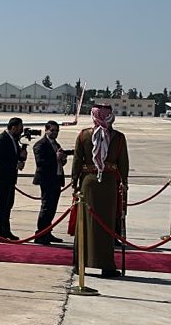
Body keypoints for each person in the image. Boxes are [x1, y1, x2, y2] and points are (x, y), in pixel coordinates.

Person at [71, 104, 128, 277]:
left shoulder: (83, 135)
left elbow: (77, 161)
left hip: (88, 182)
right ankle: (106, 265)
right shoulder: (118, 138)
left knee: (85, 223)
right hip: (108, 183)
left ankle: (80, 263)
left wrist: (74, 181)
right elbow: (123, 163)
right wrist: (124, 182)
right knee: (107, 225)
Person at [31, 120, 68, 245]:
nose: (55, 133)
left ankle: (47, 232)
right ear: (46, 130)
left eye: (57, 131)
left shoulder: (56, 144)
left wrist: (63, 159)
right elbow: (40, 163)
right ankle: (40, 234)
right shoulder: (40, 145)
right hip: (47, 180)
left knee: (52, 208)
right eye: (52, 130)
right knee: (46, 207)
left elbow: (58, 162)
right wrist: (56, 158)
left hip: (56, 179)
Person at [0, 117, 26, 241]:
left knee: (8, 205)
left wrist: (21, 156)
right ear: (13, 127)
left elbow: (13, 156)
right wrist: (15, 164)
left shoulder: (13, 140)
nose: (21, 131)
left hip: (10, 178)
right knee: (1, 206)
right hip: (1, 178)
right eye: (20, 128)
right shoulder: (1, 140)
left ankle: (6, 231)